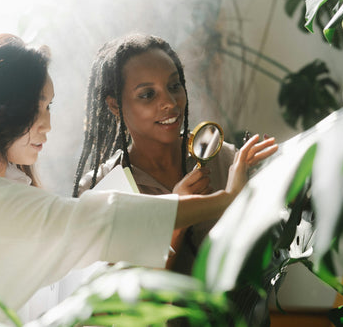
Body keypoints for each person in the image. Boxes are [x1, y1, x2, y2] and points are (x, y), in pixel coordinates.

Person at [0, 33, 266, 327]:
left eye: (48, 106)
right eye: (35, 107)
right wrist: (225, 197)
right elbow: (100, 220)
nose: (47, 124)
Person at [73, 34, 278, 275]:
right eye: (148, 94)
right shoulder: (102, 189)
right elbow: (127, 302)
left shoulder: (222, 159)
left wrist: (275, 183)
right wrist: (176, 215)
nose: (170, 102)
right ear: (115, 106)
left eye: (174, 86)